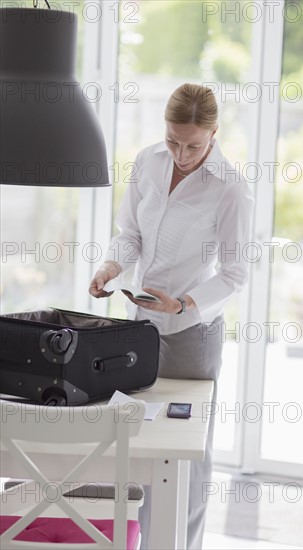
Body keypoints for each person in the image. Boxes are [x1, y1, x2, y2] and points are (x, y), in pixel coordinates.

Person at [89, 83, 255, 549]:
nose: (181, 154)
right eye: (172, 140)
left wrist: (183, 303)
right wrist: (111, 264)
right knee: (133, 437)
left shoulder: (231, 188)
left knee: (186, 453)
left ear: (214, 133)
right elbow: (130, 234)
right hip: (138, 328)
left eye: (193, 144)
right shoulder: (148, 162)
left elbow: (236, 273)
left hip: (190, 334)